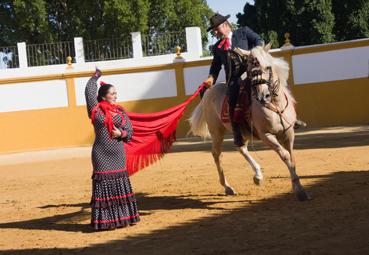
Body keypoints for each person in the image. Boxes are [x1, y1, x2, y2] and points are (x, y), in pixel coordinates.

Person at [85, 68, 139, 230]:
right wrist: (96, 76)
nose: (116, 96)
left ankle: (123, 218)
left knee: (119, 185)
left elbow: (130, 131)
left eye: (116, 93)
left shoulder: (121, 112)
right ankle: (106, 222)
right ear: (103, 96)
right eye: (113, 93)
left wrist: (120, 133)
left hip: (118, 155)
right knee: (104, 187)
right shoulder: (95, 110)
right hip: (101, 155)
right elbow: (89, 90)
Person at [203, 13, 264, 147]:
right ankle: (237, 134)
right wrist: (211, 78)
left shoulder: (243, 32)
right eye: (213, 30)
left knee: (275, 81)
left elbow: (259, 40)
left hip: (253, 72)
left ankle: (290, 117)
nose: (214, 32)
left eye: (215, 28)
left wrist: (251, 52)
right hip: (235, 79)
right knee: (232, 98)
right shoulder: (218, 47)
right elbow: (216, 66)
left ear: (225, 25)